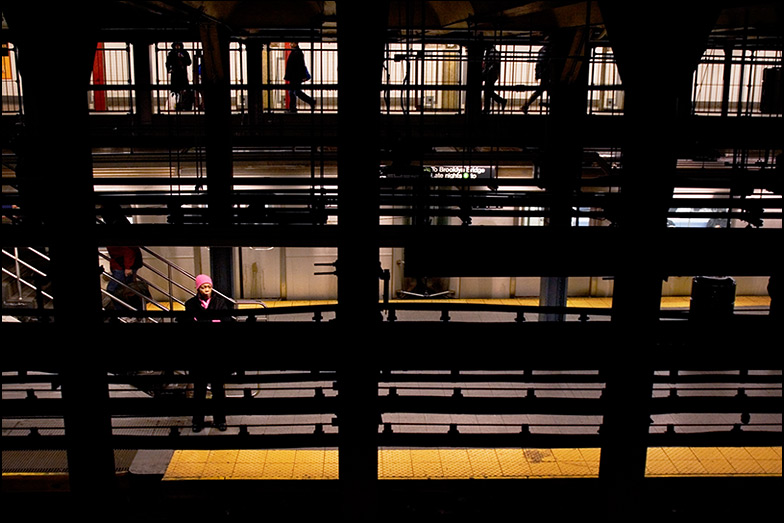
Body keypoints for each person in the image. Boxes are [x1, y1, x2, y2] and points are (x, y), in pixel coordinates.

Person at [180, 274, 234, 432]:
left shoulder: (219, 302)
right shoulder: (191, 304)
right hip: (200, 352)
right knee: (199, 389)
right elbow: (190, 323)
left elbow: (225, 321)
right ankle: (197, 421)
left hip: (214, 352)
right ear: (197, 288)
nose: (206, 290)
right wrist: (212, 322)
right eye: (203, 287)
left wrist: (202, 322)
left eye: (208, 287)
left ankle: (219, 420)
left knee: (217, 389)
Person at [522, 40, 551, 114]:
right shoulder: (547, 50)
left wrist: (538, 74)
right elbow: (542, 63)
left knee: (540, 90)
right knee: (545, 89)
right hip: (547, 73)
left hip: (545, 73)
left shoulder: (543, 49)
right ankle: (526, 105)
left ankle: (526, 105)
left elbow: (539, 63)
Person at [284, 42, 315, 112]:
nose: (290, 44)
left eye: (292, 43)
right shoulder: (296, 52)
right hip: (295, 76)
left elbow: (299, 65)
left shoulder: (296, 52)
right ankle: (293, 108)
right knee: (293, 92)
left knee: (294, 92)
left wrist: (302, 75)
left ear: (295, 44)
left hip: (295, 76)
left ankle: (294, 108)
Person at [166, 42, 192, 110]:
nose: (177, 47)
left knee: (184, 89)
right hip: (175, 74)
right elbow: (168, 62)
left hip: (182, 74)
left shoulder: (184, 52)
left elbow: (189, 62)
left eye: (178, 45)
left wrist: (183, 58)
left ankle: (183, 104)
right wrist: (170, 69)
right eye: (176, 45)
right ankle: (177, 104)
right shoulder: (171, 53)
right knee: (175, 90)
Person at [482, 44, 507, 113]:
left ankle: (501, 101)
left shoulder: (492, 53)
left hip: (491, 75)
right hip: (492, 75)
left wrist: (485, 72)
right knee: (488, 91)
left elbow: (493, 65)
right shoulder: (491, 52)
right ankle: (488, 108)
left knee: (488, 91)